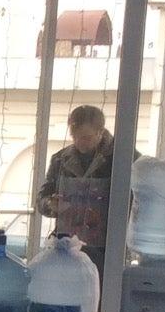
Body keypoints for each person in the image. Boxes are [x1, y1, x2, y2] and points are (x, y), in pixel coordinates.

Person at [37, 105, 118, 274]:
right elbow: (42, 199)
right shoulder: (60, 160)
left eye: (86, 137)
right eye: (75, 137)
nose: (80, 143)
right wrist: (51, 204)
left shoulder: (120, 159)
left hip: (107, 250)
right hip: (68, 247)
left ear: (100, 132)